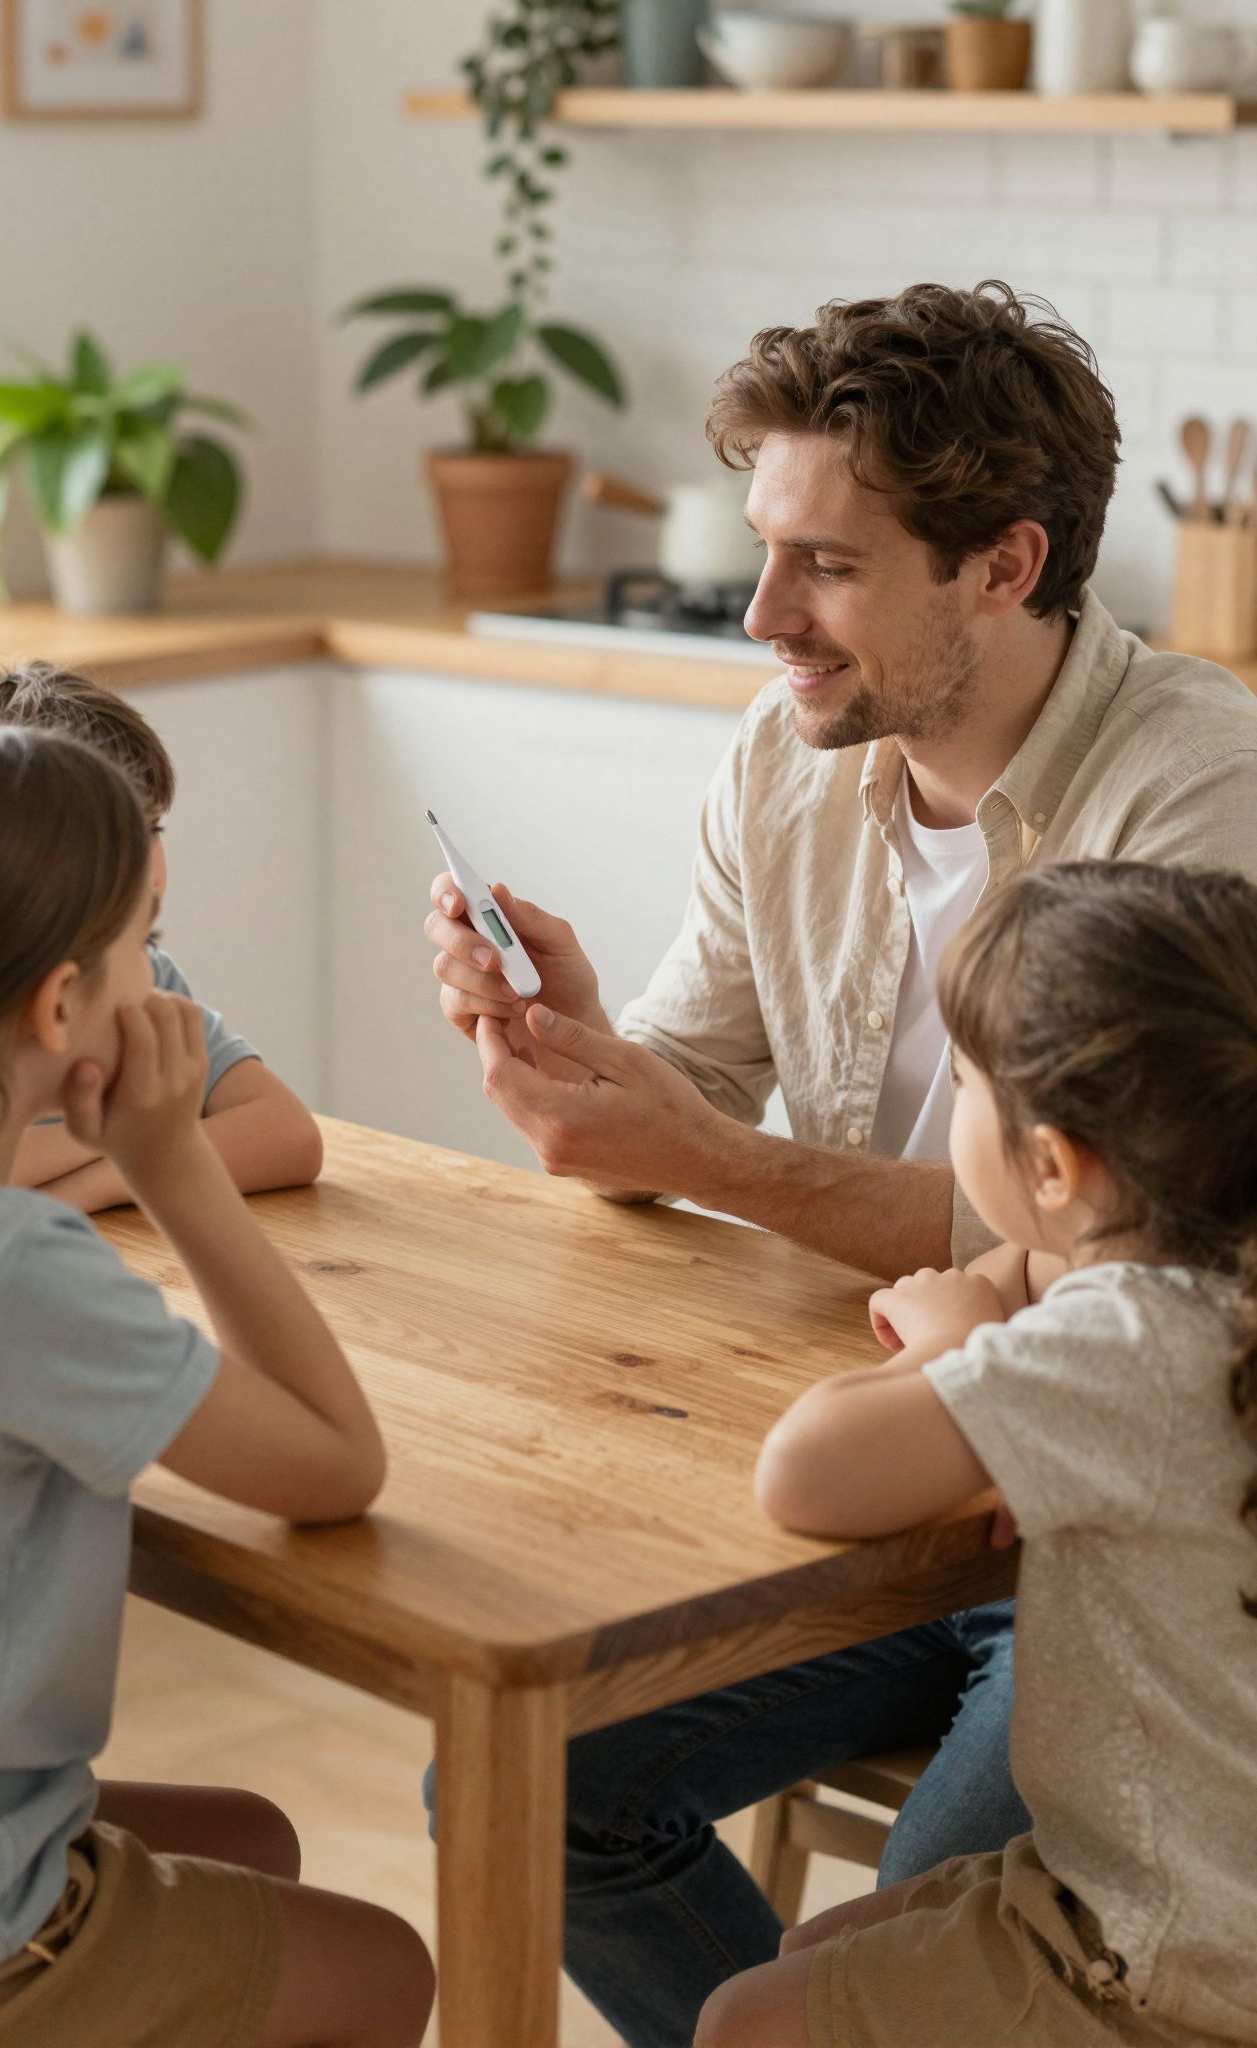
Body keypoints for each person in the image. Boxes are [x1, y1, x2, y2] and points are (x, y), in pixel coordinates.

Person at [421, 281, 1257, 2044]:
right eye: (763, 548)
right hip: (884, 1445)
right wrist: (581, 1054)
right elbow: (691, 1093)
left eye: (828, 564)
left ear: (1003, 565)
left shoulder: (1202, 800)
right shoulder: (788, 753)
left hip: (1103, 1535)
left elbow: (1150, 1257)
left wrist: (712, 1151)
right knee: (515, 1790)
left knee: (919, 1932)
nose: (761, 613)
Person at [0, 722, 434, 2048]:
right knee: (384, 1966)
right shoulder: (4, 1272)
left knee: (252, 1838)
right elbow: (340, 1465)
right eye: (142, 946)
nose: (159, 984)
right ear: (59, 1008)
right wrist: (173, 1163)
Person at [699, 858, 1257, 2047]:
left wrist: (946, 1348)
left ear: (1054, 1166)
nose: (951, 1102)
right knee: (815, 1949)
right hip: (1192, 1893)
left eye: (959, 1079)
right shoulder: (1218, 1304)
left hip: (1162, 1953)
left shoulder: (1123, 1340)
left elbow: (804, 1469)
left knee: (749, 2020)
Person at [0, 660, 322, 1212]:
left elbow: (288, 1136)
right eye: (111, 838)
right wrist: (133, 1140)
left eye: (151, 829)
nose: (146, 864)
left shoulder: (144, 977)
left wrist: (91, 1187)